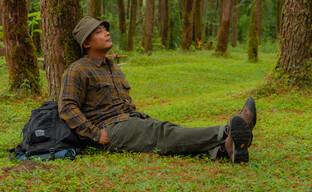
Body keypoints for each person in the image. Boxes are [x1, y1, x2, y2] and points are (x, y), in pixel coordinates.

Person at [58, 16, 257, 163]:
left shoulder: (113, 68)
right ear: (86, 43)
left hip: (131, 120)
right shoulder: (78, 70)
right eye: (99, 31)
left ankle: (225, 148)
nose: (107, 32)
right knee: (163, 133)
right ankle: (227, 132)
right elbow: (67, 106)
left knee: (167, 130)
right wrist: (95, 134)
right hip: (109, 130)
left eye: (105, 29)